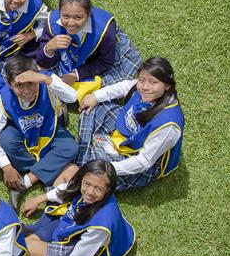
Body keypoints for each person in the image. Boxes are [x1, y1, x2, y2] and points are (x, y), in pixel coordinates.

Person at [71, 56, 185, 190]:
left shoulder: (169, 125)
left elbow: (144, 162)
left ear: (167, 85)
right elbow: (125, 87)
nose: (145, 87)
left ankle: (86, 155)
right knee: (94, 108)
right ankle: (88, 155)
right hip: (128, 130)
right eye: (142, 80)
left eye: (153, 82)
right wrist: (96, 96)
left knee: (94, 167)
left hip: (140, 158)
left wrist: (107, 169)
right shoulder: (143, 87)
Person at [23, 161, 135, 256]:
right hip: (75, 223)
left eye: (98, 189)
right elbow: (69, 187)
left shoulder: (102, 225)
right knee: (70, 169)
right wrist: (40, 198)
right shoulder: (85, 188)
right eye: (87, 184)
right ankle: (38, 231)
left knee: (24, 245)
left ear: (108, 190)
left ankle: (36, 233)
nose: (90, 192)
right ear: (82, 178)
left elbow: (83, 252)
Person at [0, 55, 79, 207]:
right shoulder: (6, 98)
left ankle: (26, 181)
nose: (27, 90)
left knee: (71, 147)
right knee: (6, 139)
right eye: (19, 86)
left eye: (31, 83)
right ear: (10, 84)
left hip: (50, 129)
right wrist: (6, 167)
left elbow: (72, 97)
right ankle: (48, 168)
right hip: (23, 134)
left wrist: (45, 79)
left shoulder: (46, 82)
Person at [35, 0, 142, 103]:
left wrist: (75, 75)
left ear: (89, 14)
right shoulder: (52, 22)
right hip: (66, 59)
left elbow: (105, 61)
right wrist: (49, 47)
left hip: (92, 59)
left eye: (78, 18)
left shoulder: (104, 30)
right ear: (59, 12)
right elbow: (42, 60)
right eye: (65, 16)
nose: (70, 23)